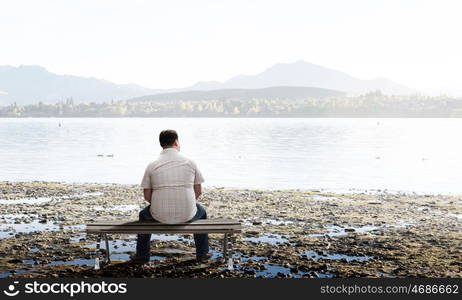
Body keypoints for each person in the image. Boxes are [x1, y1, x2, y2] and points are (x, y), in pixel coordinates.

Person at [130, 129, 211, 263]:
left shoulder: (152, 165)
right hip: (188, 214)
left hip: (158, 215)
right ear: (176, 142)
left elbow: (147, 194)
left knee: (143, 215)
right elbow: (198, 191)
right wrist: (189, 203)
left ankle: (142, 255)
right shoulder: (190, 162)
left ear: (161, 144)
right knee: (201, 212)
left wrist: (156, 204)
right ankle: (202, 254)